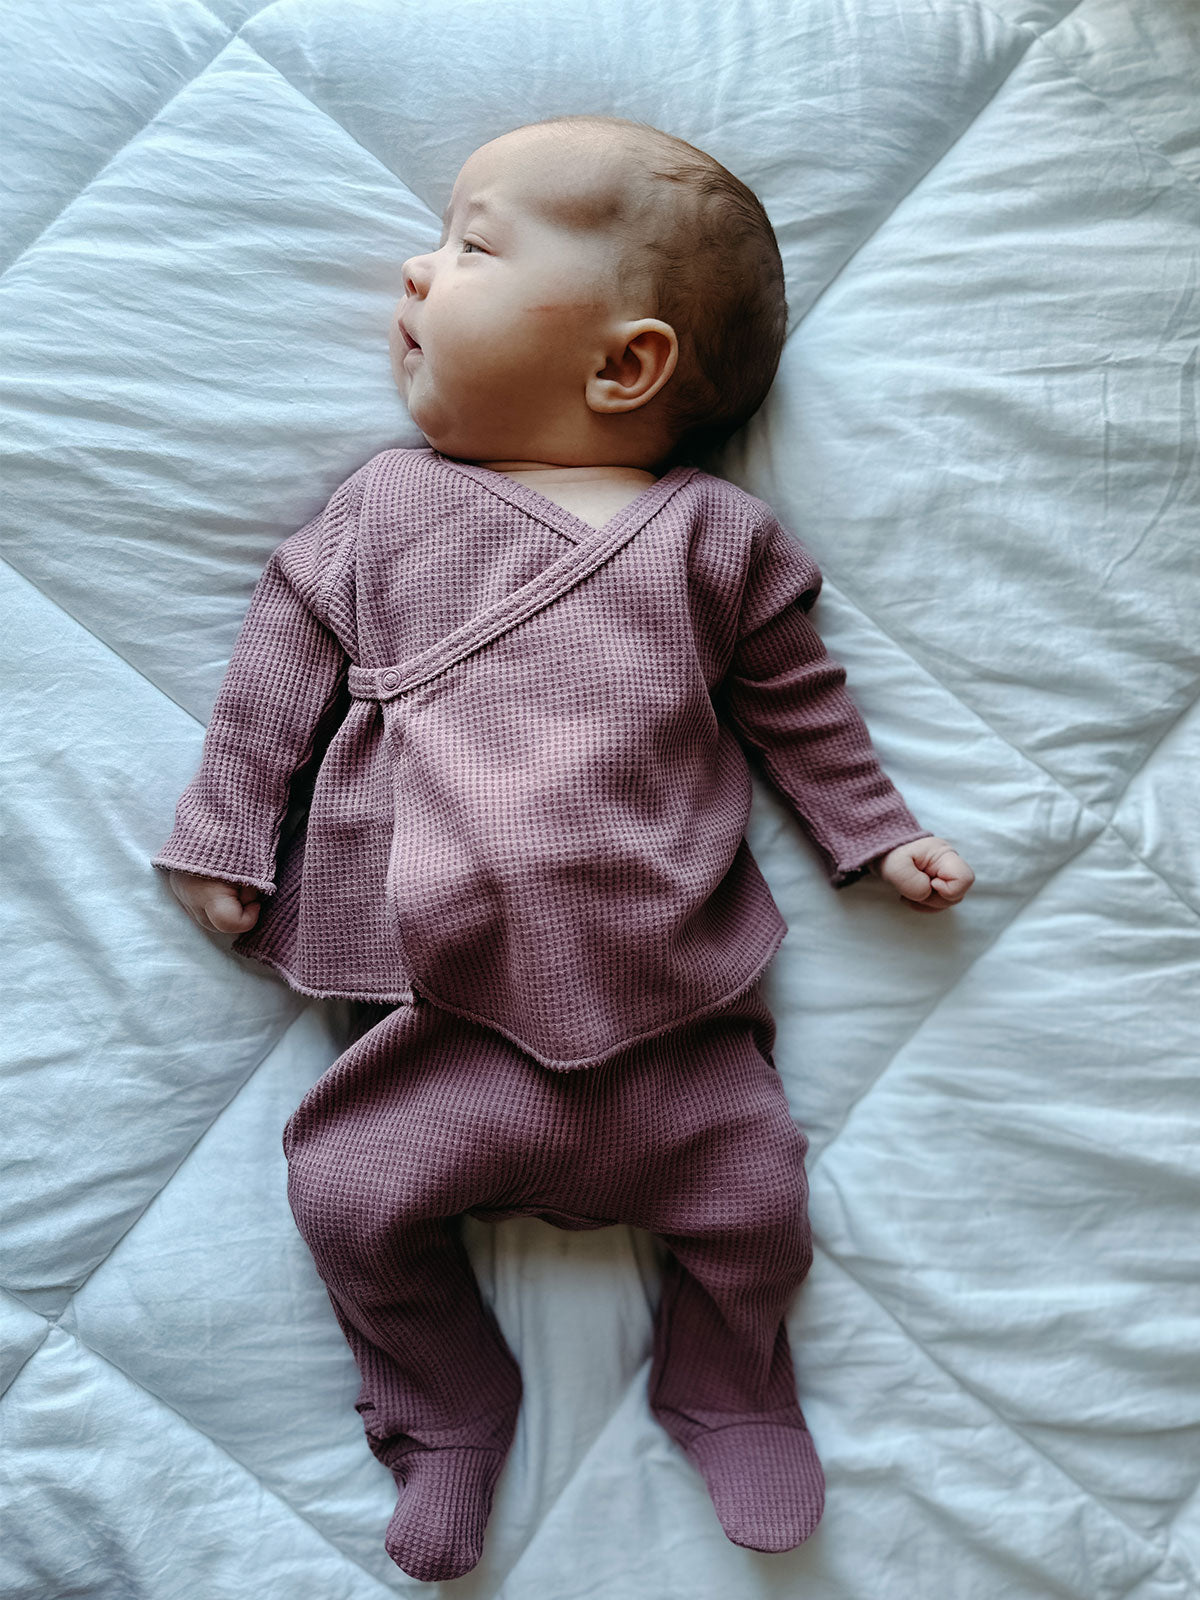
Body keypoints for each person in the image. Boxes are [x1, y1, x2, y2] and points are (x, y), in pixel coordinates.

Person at [154, 114, 975, 1582]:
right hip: (439, 1005)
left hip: (671, 1008)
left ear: (624, 364)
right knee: (350, 1196)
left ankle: (726, 1377)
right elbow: (279, 668)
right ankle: (445, 1409)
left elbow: (801, 707)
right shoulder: (388, 506)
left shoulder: (712, 539)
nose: (416, 271)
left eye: (471, 247)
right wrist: (230, 830)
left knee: (756, 1209)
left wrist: (875, 832)